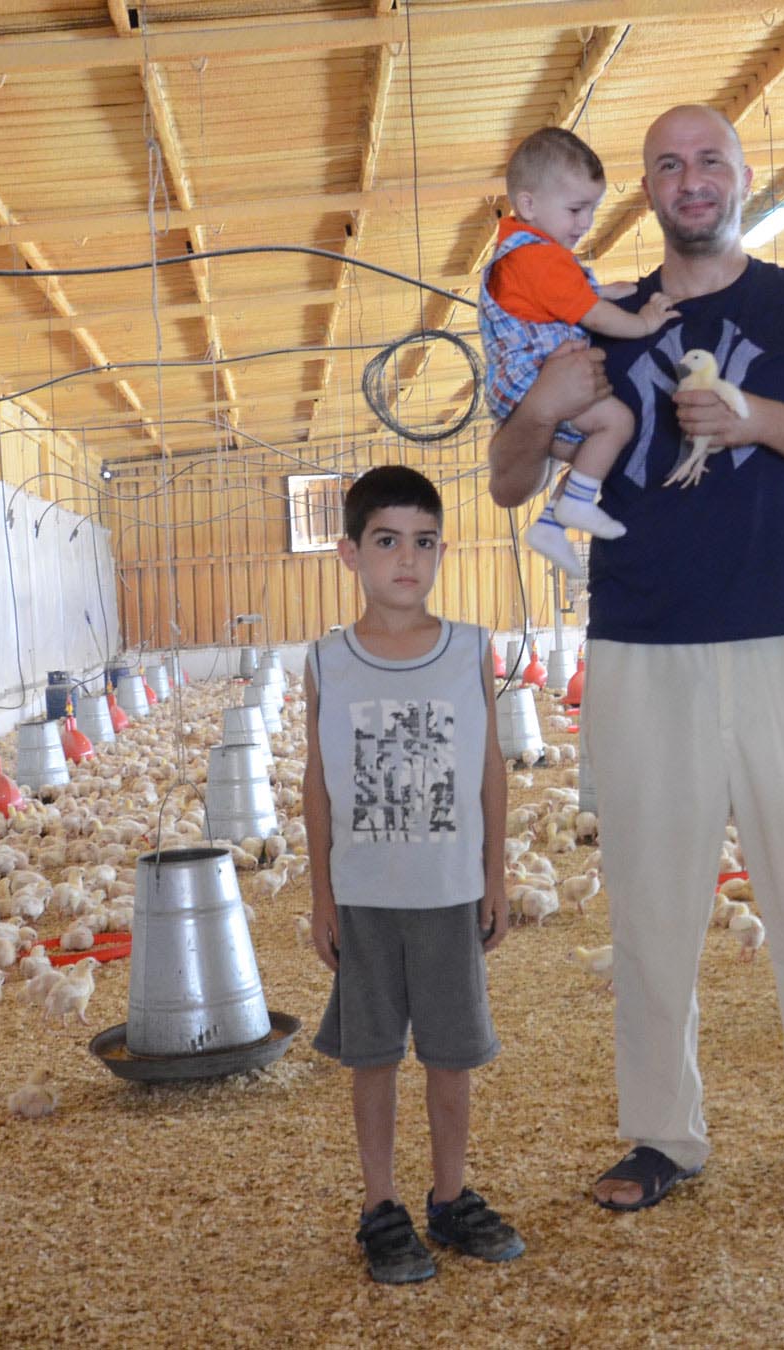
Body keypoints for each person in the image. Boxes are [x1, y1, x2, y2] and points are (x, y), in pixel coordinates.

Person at [486, 105, 784, 1210]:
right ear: (645, 188)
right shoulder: (605, 316)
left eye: (709, 161)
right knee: (649, 903)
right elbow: (504, 481)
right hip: (640, 644)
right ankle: (660, 1136)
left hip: (778, 633)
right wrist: (540, 409)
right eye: (667, 165)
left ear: (740, 177)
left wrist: (757, 419)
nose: (690, 179)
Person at [303, 465, 523, 1283]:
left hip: (446, 893)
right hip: (363, 896)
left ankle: (451, 1195)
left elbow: (489, 768)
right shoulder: (326, 661)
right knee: (372, 1057)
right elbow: (318, 782)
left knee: (451, 1056)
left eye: (424, 543)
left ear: (441, 552)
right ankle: (380, 1206)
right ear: (349, 554)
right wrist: (322, 892)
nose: (407, 560)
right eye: (387, 541)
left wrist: (493, 876)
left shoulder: (470, 649)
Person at [479, 127, 681, 581]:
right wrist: (643, 321)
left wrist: (602, 290)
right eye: (575, 209)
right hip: (533, 377)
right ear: (528, 205)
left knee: (590, 449)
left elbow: (559, 300)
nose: (586, 222)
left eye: (592, 208)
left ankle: (552, 523)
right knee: (617, 422)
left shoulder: (522, 255)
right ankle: (573, 503)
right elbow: (592, 315)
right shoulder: (539, 257)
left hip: (519, 381)